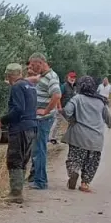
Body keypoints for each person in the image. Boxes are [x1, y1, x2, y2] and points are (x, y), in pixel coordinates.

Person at [62, 75, 111, 192]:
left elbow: (67, 111)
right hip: (96, 139)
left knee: (74, 158)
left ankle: (74, 171)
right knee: (91, 162)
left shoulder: (77, 98)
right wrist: (110, 124)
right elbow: (108, 118)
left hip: (78, 136)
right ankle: (85, 183)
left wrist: (71, 120)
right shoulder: (101, 101)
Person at [0, 63, 38, 203]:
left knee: (14, 159)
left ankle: (16, 193)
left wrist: (2, 120)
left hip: (20, 128)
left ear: (10, 76)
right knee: (23, 159)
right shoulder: (30, 87)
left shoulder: (16, 87)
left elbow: (18, 110)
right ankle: (18, 190)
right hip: (32, 127)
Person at [25, 53, 63, 190]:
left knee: (39, 150)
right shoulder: (43, 76)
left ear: (40, 63)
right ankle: (35, 177)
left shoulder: (51, 77)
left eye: (33, 65)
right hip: (39, 119)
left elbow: (57, 94)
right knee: (36, 150)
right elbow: (33, 80)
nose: (32, 68)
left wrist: (46, 111)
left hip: (43, 120)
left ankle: (41, 182)